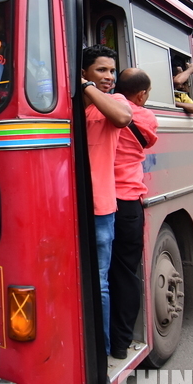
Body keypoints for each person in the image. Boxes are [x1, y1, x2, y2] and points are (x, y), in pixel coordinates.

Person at [80, 45, 132, 354]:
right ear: (84, 69)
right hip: (70, 207)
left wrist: (86, 85)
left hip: (101, 207)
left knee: (98, 282)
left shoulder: (114, 101)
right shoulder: (70, 105)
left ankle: (101, 350)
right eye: (101, 70)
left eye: (112, 71)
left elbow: (123, 118)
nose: (109, 77)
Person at [109, 68, 158, 359]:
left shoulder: (100, 107)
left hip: (100, 201)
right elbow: (149, 142)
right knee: (127, 273)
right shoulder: (146, 117)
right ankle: (121, 342)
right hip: (128, 201)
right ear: (141, 94)